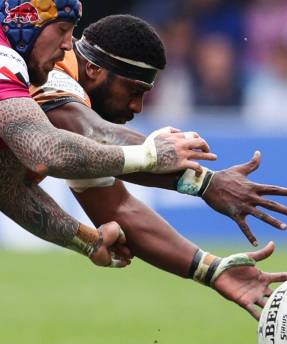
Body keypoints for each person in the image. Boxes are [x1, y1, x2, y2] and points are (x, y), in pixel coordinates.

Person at [31, 14, 287, 319]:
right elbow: (90, 133)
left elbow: (118, 208)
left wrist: (212, 270)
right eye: (134, 91)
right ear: (93, 68)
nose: (137, 107)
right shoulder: (53, 69)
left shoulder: (69, 108)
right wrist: (202, 181)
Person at [0, 0, 213, 267]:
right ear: (24, 21)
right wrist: (153, 156)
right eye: (62, 29)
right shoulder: (8, 60)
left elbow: (6, 186)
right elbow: (49, 151)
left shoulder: (26, 70)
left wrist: (88, 241)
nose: (68, 44)